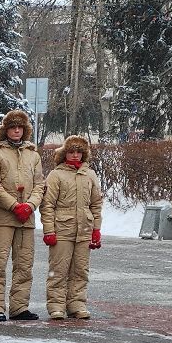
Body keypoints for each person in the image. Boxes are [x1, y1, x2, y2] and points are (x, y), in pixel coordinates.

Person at [0, 109, 44, 320]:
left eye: (20, 127)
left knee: (24, 264)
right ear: (6, 130)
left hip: (27, 218)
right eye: (12, 127)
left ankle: (19, 307)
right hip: (4, 217)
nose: (17, 131)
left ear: (25, 129)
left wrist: (30, 205)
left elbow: (39, 185)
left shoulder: (33, 155)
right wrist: (13, 205)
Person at [41, 134, 104, 320]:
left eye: (79, 152)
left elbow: (96, 204)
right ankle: (56, 305)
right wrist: (49, 230)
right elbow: (47, 205)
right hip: (62, 229)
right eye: (71, 152)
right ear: (64, 153)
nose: (75, 155)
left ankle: (77, 304)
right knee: (59, 270)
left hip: (84, 229)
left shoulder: (90, 175)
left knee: (80, 270)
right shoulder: (56, 175)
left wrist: (96, 229)